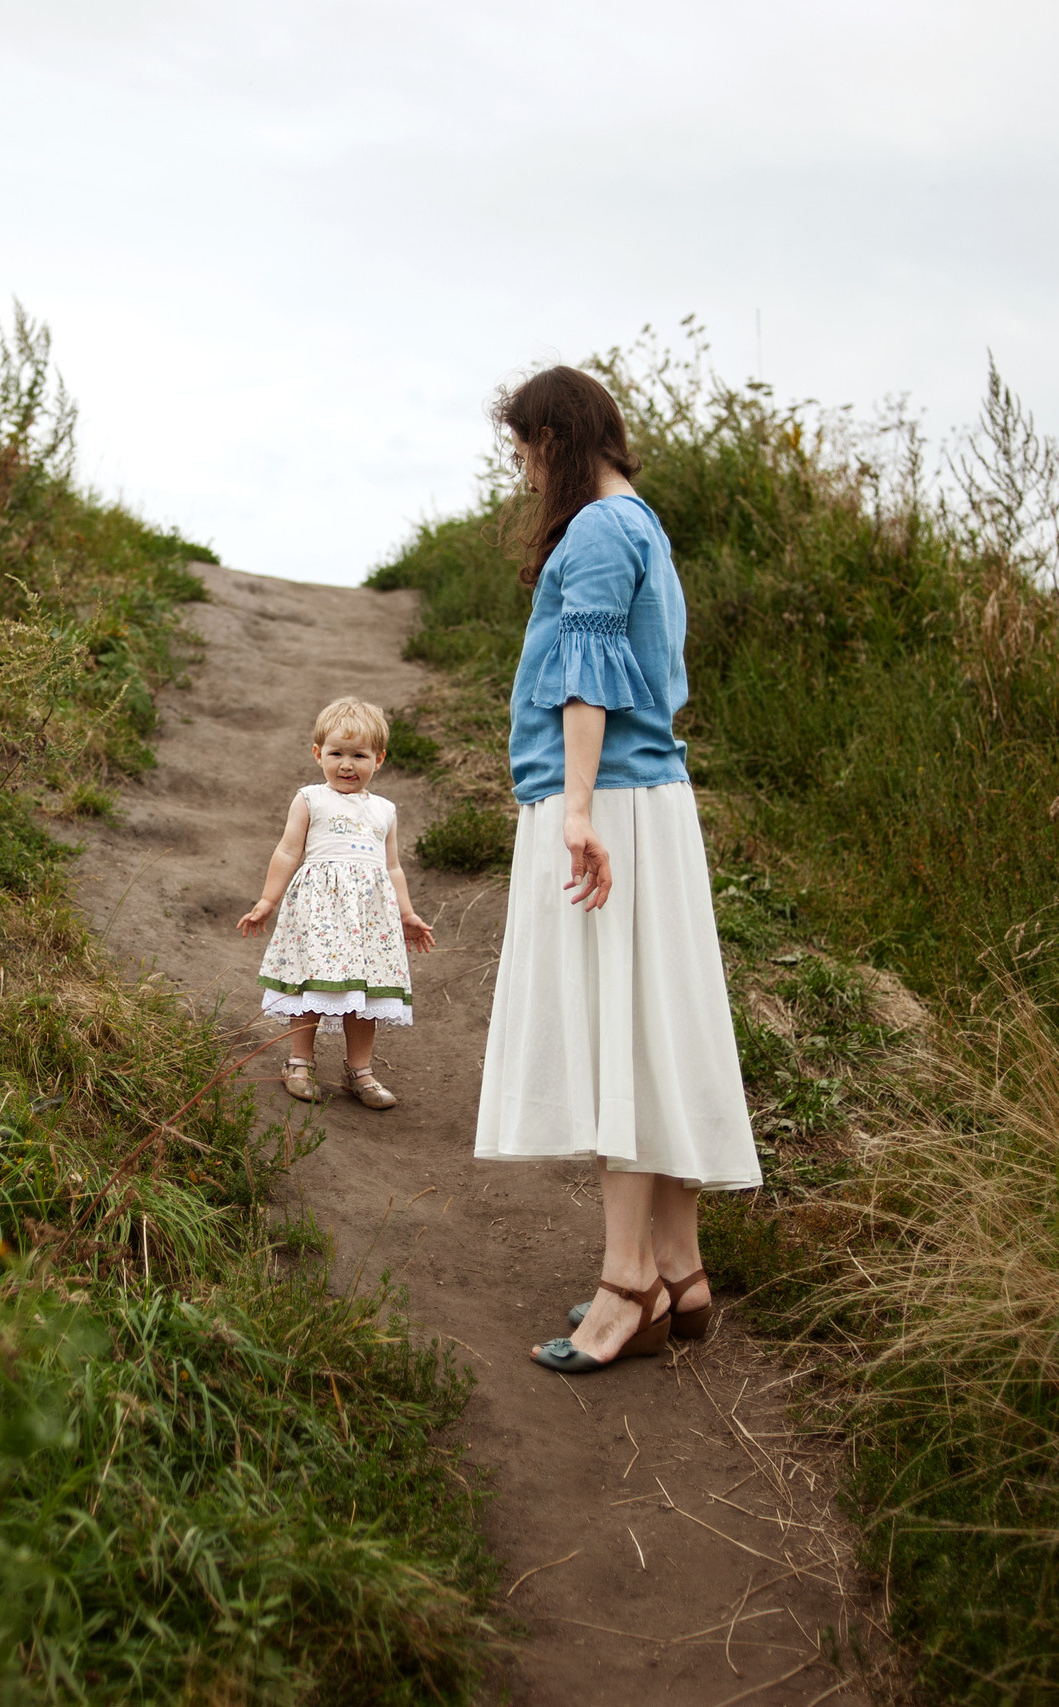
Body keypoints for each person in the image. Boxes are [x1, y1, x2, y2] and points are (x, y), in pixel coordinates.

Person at [471, 366, 760, 1373]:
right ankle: (679, 1269)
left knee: (621, 1041)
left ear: (553, 440)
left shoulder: (596, 529)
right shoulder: (642, 524)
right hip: (649, 802)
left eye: (523, 453)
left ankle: (627, 1284)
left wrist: (579, 810)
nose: (523, 475)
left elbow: (587, 679)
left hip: (611, 806)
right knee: (654, 1028)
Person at [238, 697, 437, 1107]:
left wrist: (407, 913)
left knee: (364, 996)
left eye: (359, 755)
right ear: (318, 754)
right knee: (311, 984)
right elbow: (287, 851)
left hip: (369, 919)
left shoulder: (384, 810)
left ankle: (359, 1071)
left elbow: (393, 867)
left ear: (379, 759)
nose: (347, 765)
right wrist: (268, 899)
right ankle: (299, 1062)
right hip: (320, 914)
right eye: (336, 754)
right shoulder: (310, 799)